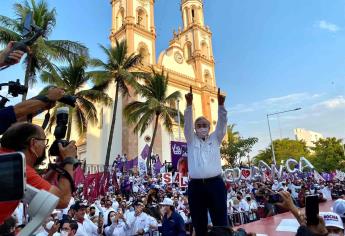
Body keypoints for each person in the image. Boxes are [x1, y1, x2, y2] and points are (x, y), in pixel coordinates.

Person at [0, 122, 77, 224]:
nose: (45, 146)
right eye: (44, 141)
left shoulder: (6, 159)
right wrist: (69, 160)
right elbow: (62, 200)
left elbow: (38, 191)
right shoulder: (19, 167)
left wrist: (57, 166)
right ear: (33, 143)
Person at [184, 86, 228, 235]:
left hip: (215, 184)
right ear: (195, 128)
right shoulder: (191, 139)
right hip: (196, 187)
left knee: (220, 220)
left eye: (205, 125)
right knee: (199, 221)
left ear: (209, 127)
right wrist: (189, 105)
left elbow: (222, 124)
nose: (202, 127)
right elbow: (187, 123)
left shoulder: (215, 138)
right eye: (199, 125)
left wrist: (221, 106)